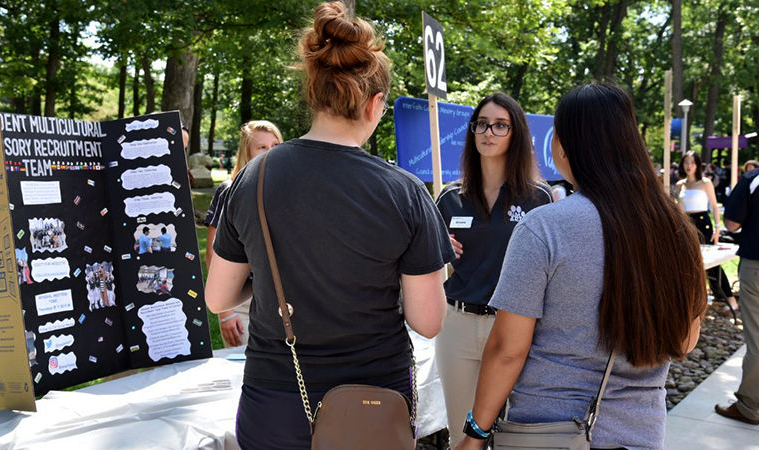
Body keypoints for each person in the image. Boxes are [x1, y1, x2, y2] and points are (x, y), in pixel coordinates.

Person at [204, 2, 453, 448]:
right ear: (376, 105)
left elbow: (218, 296)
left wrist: (264, 277)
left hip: (275, 399)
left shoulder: (251, 178)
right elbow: (428, 321)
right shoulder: (405, 191)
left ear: (313, 94)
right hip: (374, 400)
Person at [454, 83, 706, 449]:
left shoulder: (544, 227)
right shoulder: (675, 228)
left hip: (548, 430)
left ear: (563, 145)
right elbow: (684, 341)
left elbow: (508, 349)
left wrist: (475, 433)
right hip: (640, 432)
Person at [434, 93, 552, 448]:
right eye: (482, 124)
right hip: (456, 325)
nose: (489, 132)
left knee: (511, 436)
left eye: (501, 125)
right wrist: (438, 250)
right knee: (461, 436)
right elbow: (429, 259)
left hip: (512, 329)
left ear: (516, 135)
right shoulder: (449, 197)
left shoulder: (538, 198)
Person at [204, 120, 283, 347]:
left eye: (276, 145)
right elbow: (212, 255)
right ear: (247, 152)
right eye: (262, 147)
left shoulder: (285, 190)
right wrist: (225, 312)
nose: (270, 152)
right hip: (243, 302)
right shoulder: (230, 190)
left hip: (283, 302)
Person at [717, 164, 759, 425]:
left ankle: (750, 406)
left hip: (756, 263)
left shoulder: (752, 179)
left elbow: (731, 223)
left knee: (756, 337)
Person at [677, 151, 739, 311]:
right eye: (686, 162)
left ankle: (729, 298)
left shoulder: (705, 183)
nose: (689, 166)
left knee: (712, 262)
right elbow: (680, 208)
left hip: (703, 222)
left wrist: (718, 228)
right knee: (690, 261)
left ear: (697, 164)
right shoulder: (680, 184)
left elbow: (714, 205)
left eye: (692, 162)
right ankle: (696, 298)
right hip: (686, 223)